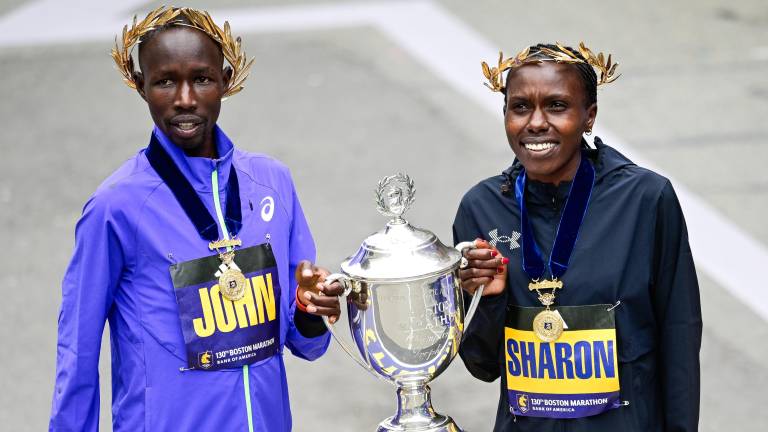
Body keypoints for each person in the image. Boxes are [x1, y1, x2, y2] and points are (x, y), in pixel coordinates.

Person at [49, 6, 341, 431]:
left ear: (226, 80)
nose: (185, 99)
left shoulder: (272, 184)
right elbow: (77, 350)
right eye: (165, 81)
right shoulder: (116, 209)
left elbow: (306, 343)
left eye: (201, 78)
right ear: (140, 85)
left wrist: (310, 307)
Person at [454, 43, 701, 431]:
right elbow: (482, 365)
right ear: (505, 115)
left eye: (556, 106)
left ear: (589, 116)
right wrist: (490, 299)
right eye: (520, 107)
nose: (535, 123)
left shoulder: (644, 200)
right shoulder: (482, 208)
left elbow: (680, 335)